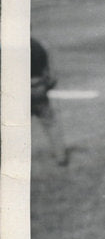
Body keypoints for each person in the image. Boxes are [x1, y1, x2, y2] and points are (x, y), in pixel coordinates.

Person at [30, 38, 68, 166]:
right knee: (51, 124)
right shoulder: (39, 45)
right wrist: (47, 86)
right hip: (39, 88)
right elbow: (51, 73)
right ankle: (61, 156)